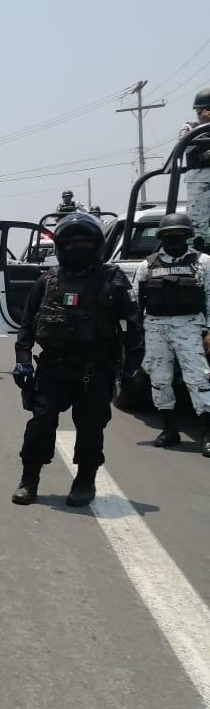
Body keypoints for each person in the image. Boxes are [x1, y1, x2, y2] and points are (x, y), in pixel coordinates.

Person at [10, 212, 143, 506]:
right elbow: (26, 326)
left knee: (91, 427)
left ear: (97, 246)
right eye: (70, 244)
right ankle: (29, 479)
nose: (77, 249)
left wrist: (132, 367)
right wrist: (23, 360)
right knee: (41, 423)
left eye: (84, 243)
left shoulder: (112, 280)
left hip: (95, 369)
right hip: (52, 368)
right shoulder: (47, 281)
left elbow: (133, 325)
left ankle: (85, 480)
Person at [131, 212, 210, 454]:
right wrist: (136, 333)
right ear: (161, 237)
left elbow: (209, 297)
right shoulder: (147, 265)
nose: (174, 237)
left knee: (198, 379)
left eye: (179, 233)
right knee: (159, 379)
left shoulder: (203, 262)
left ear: (188, 235)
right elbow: (136, 300)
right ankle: (169, 429)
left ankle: (207, 433)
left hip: (190, 325)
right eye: (169, 234)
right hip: (156, 326)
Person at [181, 88, 210, 252]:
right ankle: (197, 252)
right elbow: (186, 146)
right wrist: (204, 126)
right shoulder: (189, 127)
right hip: (199, 182)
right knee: (198, 225)